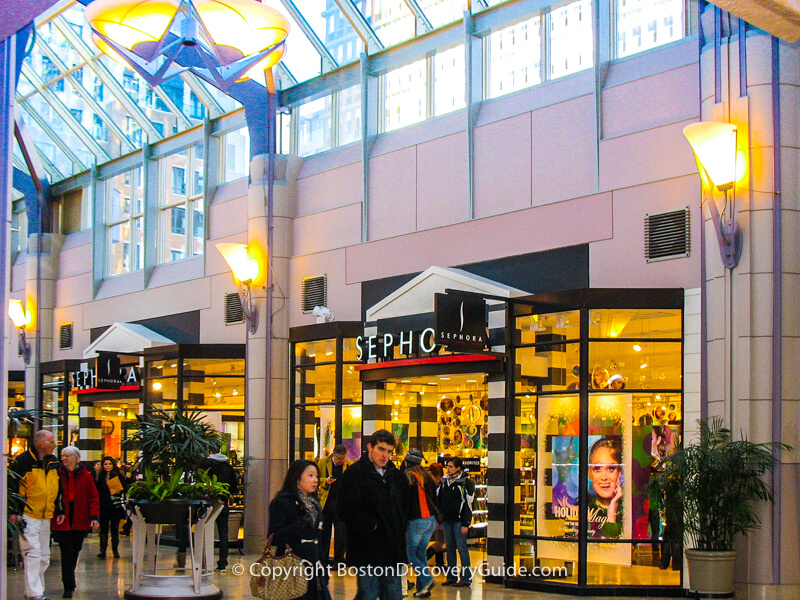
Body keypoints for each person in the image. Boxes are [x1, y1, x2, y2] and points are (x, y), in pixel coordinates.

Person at [337, 430, 409, 600]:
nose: (385, 455)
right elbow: (344, 509)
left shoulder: (397, 477)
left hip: (392, 548)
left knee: (393, 594)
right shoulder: (354, 475)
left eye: (389, 451)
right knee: (368, 593)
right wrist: (371, 525)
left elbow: (403, 508)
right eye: (381, 449)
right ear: (370, 447)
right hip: (366, 548)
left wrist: (399, 531)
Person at [268, 460, 332, 600]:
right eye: (310, 475)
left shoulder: (314, 503)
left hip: (315, 568)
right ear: (297, 478)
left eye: (316, 476)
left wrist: (324, 569)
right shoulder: (283, 502)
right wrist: (298, 526)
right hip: (293, 568)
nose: (315, 480)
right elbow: (274, 537)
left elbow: (318, 540)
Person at [10, 429, 60, 600]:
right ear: (42, 443)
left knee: (44, 556)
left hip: (46, 515)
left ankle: (33, 589)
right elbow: (14, 488)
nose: (55, 445)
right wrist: (14, 511)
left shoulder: (53, 462)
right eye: (52, 441)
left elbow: (56, 488)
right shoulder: (23, 461)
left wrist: (59, 509)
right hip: (28, 514)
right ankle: (35, 592)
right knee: (33, 553)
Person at [52, 446, 101, 598]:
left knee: (75, 550)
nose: (64, 458)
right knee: (66, 552)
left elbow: (93, 498)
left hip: (80, 518)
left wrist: (94, 517)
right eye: (62, 456)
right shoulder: (57, 474)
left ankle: (69, 579)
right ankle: (68, 584)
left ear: (76, 458)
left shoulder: (86, 476)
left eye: (67, 456)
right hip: (62, 518)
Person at [402, 449, 437, 598]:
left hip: (416, 520)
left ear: (407, 462)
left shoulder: (409, 477)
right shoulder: (428, 477)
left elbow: (406, 502)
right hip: (431, 520)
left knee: (409, 554)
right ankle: (423, 588)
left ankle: (427, 578)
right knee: (420, 553)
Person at [436, 457, 475, 587]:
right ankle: (451, 577)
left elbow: (469, 504)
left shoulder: (466, 482)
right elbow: (438, 499)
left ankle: (466, 578)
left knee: (462, 548)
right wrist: (438, 517)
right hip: (447, 520)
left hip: (459, 520)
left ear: (458, 468)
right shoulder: (444, 481)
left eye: (451, 466)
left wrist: (466, 523)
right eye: (447, 466)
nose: (448, 469)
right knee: (450, 548)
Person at [201, 451, 239, 572]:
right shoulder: (229, 468)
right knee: (223, 533)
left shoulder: (208, 467)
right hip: (223, 503)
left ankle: (204, 562)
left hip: (209, 503)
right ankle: (222, 562)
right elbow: (234, 485)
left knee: (204, 531)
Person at [317, 444, 351, 565]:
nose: (341, 461)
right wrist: (325, 481)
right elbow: (316, 479)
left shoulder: (349, 465)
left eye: (343, 458)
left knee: (341, 533)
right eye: (339, 459)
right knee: (324, 532)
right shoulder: (323, 462)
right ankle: (323, 558)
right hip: (326, 502)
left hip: (341, 503)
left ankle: (338, 560)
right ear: (333, 456)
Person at [588, 437, 623, 539]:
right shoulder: (581, 506)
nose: (604, 477)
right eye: (597, 469)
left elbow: (613, 544)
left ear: (619, 472)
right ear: (590, 472)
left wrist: (612, 510)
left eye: (611, 469)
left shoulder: (628, 510)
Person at [94, 456, 127, 559]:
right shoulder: (100, 477)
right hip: (103, 506)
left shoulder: (118, 475)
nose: (107, 466)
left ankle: (115, 550)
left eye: (109, 464)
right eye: (105, 464)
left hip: (115, 505)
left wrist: (119, 491)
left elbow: (125, 488)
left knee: (114, 529)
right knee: (103, 529)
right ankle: (102, 550)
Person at [425, 463, 445, 569]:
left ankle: (440, 563)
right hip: (440, 516)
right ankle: (423, 560)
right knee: (440, 542)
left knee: (439, 540)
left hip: (432, 515)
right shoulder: (440, 484)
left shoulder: (428, 483)